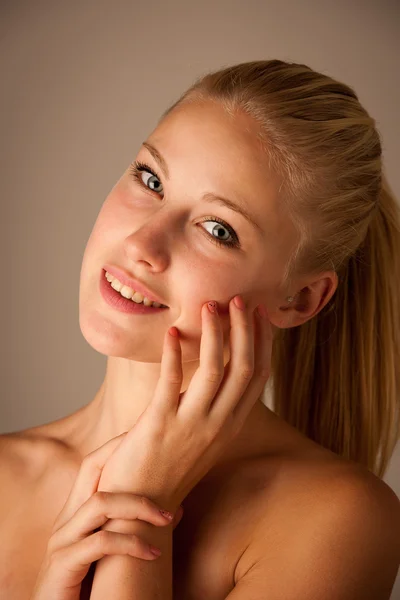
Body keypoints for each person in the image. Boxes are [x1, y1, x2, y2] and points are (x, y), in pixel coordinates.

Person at [1, 59, 399, 599]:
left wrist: (141, 499)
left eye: (218, 229)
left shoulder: (339, 522)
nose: (142, 244)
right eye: (151, 178)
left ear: (300, 298)